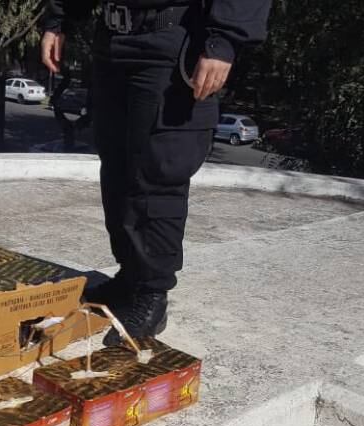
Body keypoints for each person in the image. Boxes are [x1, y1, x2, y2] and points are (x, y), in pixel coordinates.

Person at [42, 0, 271, 345]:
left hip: (174, 38)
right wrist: (57, 20)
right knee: (117, 167)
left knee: (160, 169)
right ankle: (131, 277)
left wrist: (223, 42)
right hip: (112, 40)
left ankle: (152, 294)